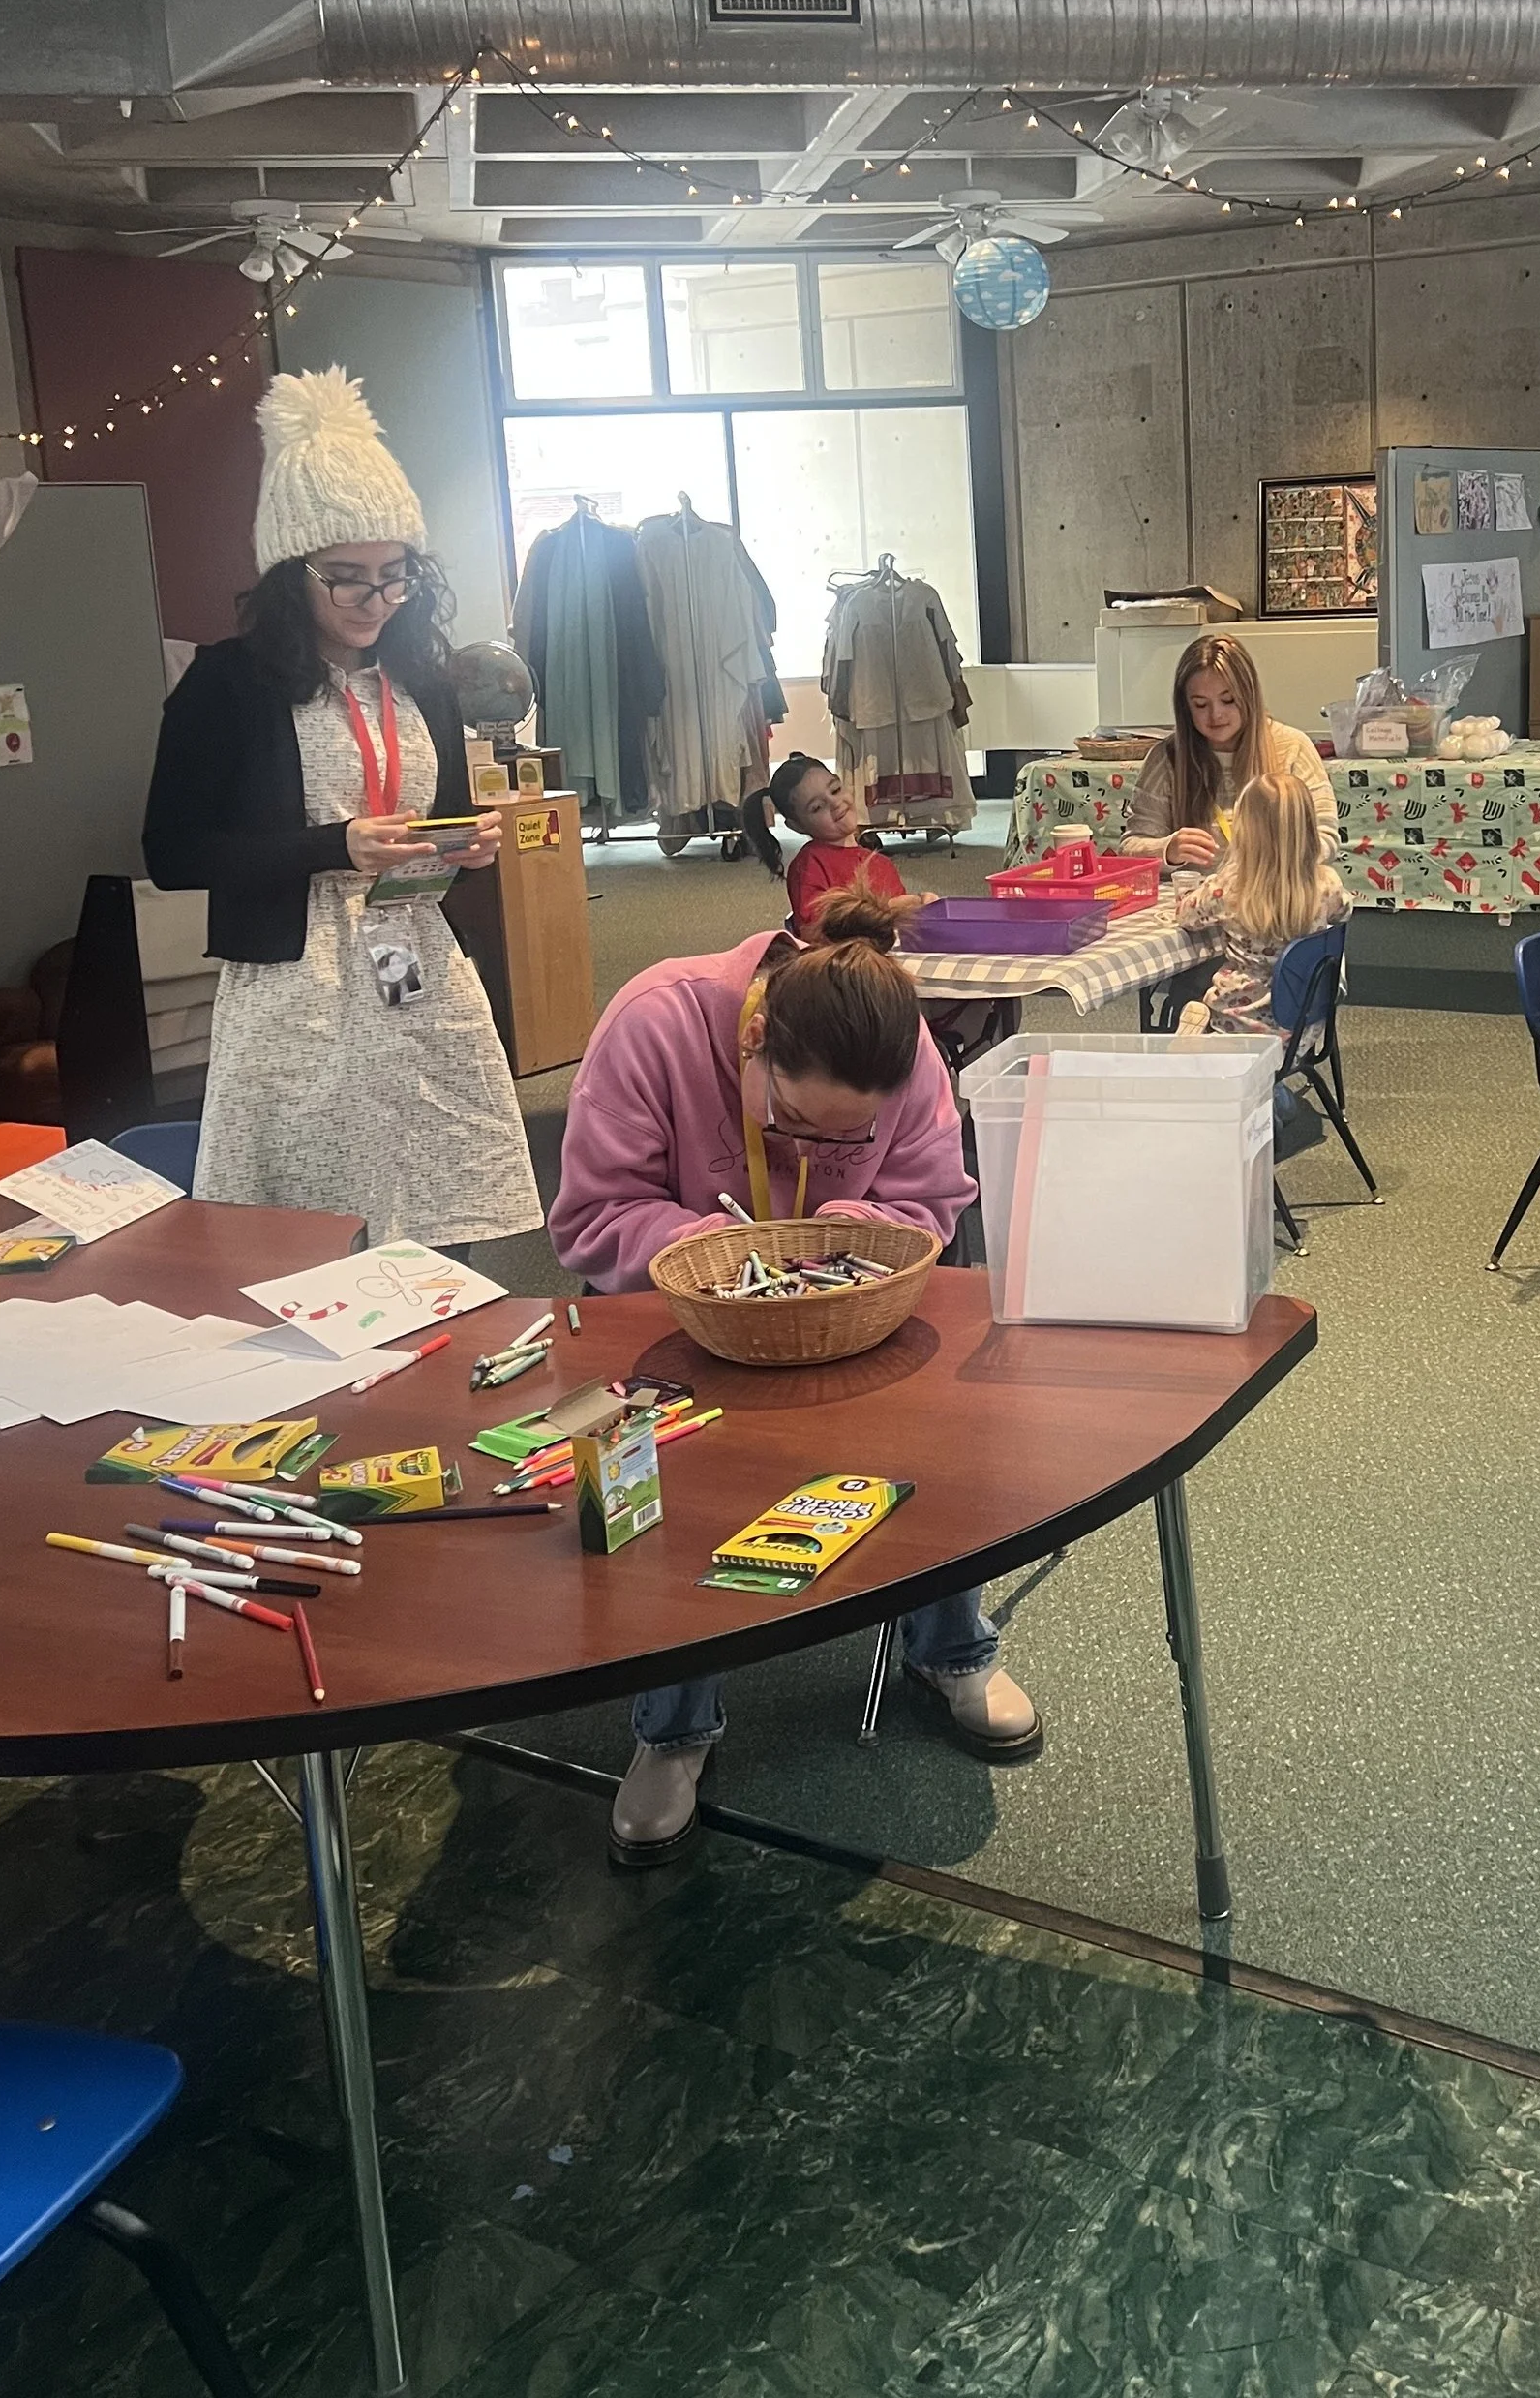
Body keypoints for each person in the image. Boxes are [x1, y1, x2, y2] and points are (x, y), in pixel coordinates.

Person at [551, 884, 1040, 1866]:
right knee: (651, 1465)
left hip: (853, 1314)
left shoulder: (905, 1058)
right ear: (755, 1035)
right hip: (678, 1321)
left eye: (839, 1138)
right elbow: (591, 1220)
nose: (809, 1149)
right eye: (792, 1122)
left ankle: (952, 1648)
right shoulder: (655, 1021)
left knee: (944, 1426)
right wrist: (726, 1258)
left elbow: (932, 1204)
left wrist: (844, 1242)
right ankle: (672, 1729)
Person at [142, 369, 541, 1252]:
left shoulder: (422, 681)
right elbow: (172, 850)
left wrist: (463, 842)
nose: (376, 601)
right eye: (348, 578)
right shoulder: (228, 683)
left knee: (433, 1169)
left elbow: (440, 811)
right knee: (313, 1203)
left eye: (396, 577)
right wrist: (333, 845)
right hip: (295, 975)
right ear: (292, 574)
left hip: (409, 951)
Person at [1123, 633, 1338, 874]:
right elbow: (1131, 847)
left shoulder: (1293, 747)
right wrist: (1168, 849)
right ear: (1185, 707)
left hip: (1271, 901)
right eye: (1201, 705)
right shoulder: (1167, 758)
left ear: (1249, 696)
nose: (1216, 715)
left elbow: (1326, 836)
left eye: (1228, 700)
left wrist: (1283, 853)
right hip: (1196, 902)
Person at [1172, 772, 1350, 1034]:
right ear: (1308, 827)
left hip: (1235, 1023)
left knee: (1198, 1004)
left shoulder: (1228, 887)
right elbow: (1344, 913)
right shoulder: (1326, 884)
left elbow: (1186, 916)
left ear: (1245, 832)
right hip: (1300, 1026)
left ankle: (1196, 1048)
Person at [741, 750, 912, 935]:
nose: (835, 803)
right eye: (817, 807)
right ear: (797, 826)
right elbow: (816, 930)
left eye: (836, 790)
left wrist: (920, 907)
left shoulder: (880, 863)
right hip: (845, 958)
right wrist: (884, 912)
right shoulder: (809, 865)